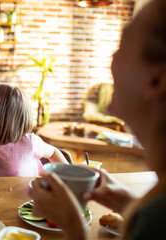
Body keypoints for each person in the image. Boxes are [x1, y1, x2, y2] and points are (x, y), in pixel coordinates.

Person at [31, 0, 166, 239]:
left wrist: (73, 225)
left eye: (122, 46)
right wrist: (124, 201)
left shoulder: (155, 215)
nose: (112, 58)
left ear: (157, 79)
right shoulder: (154, 208)